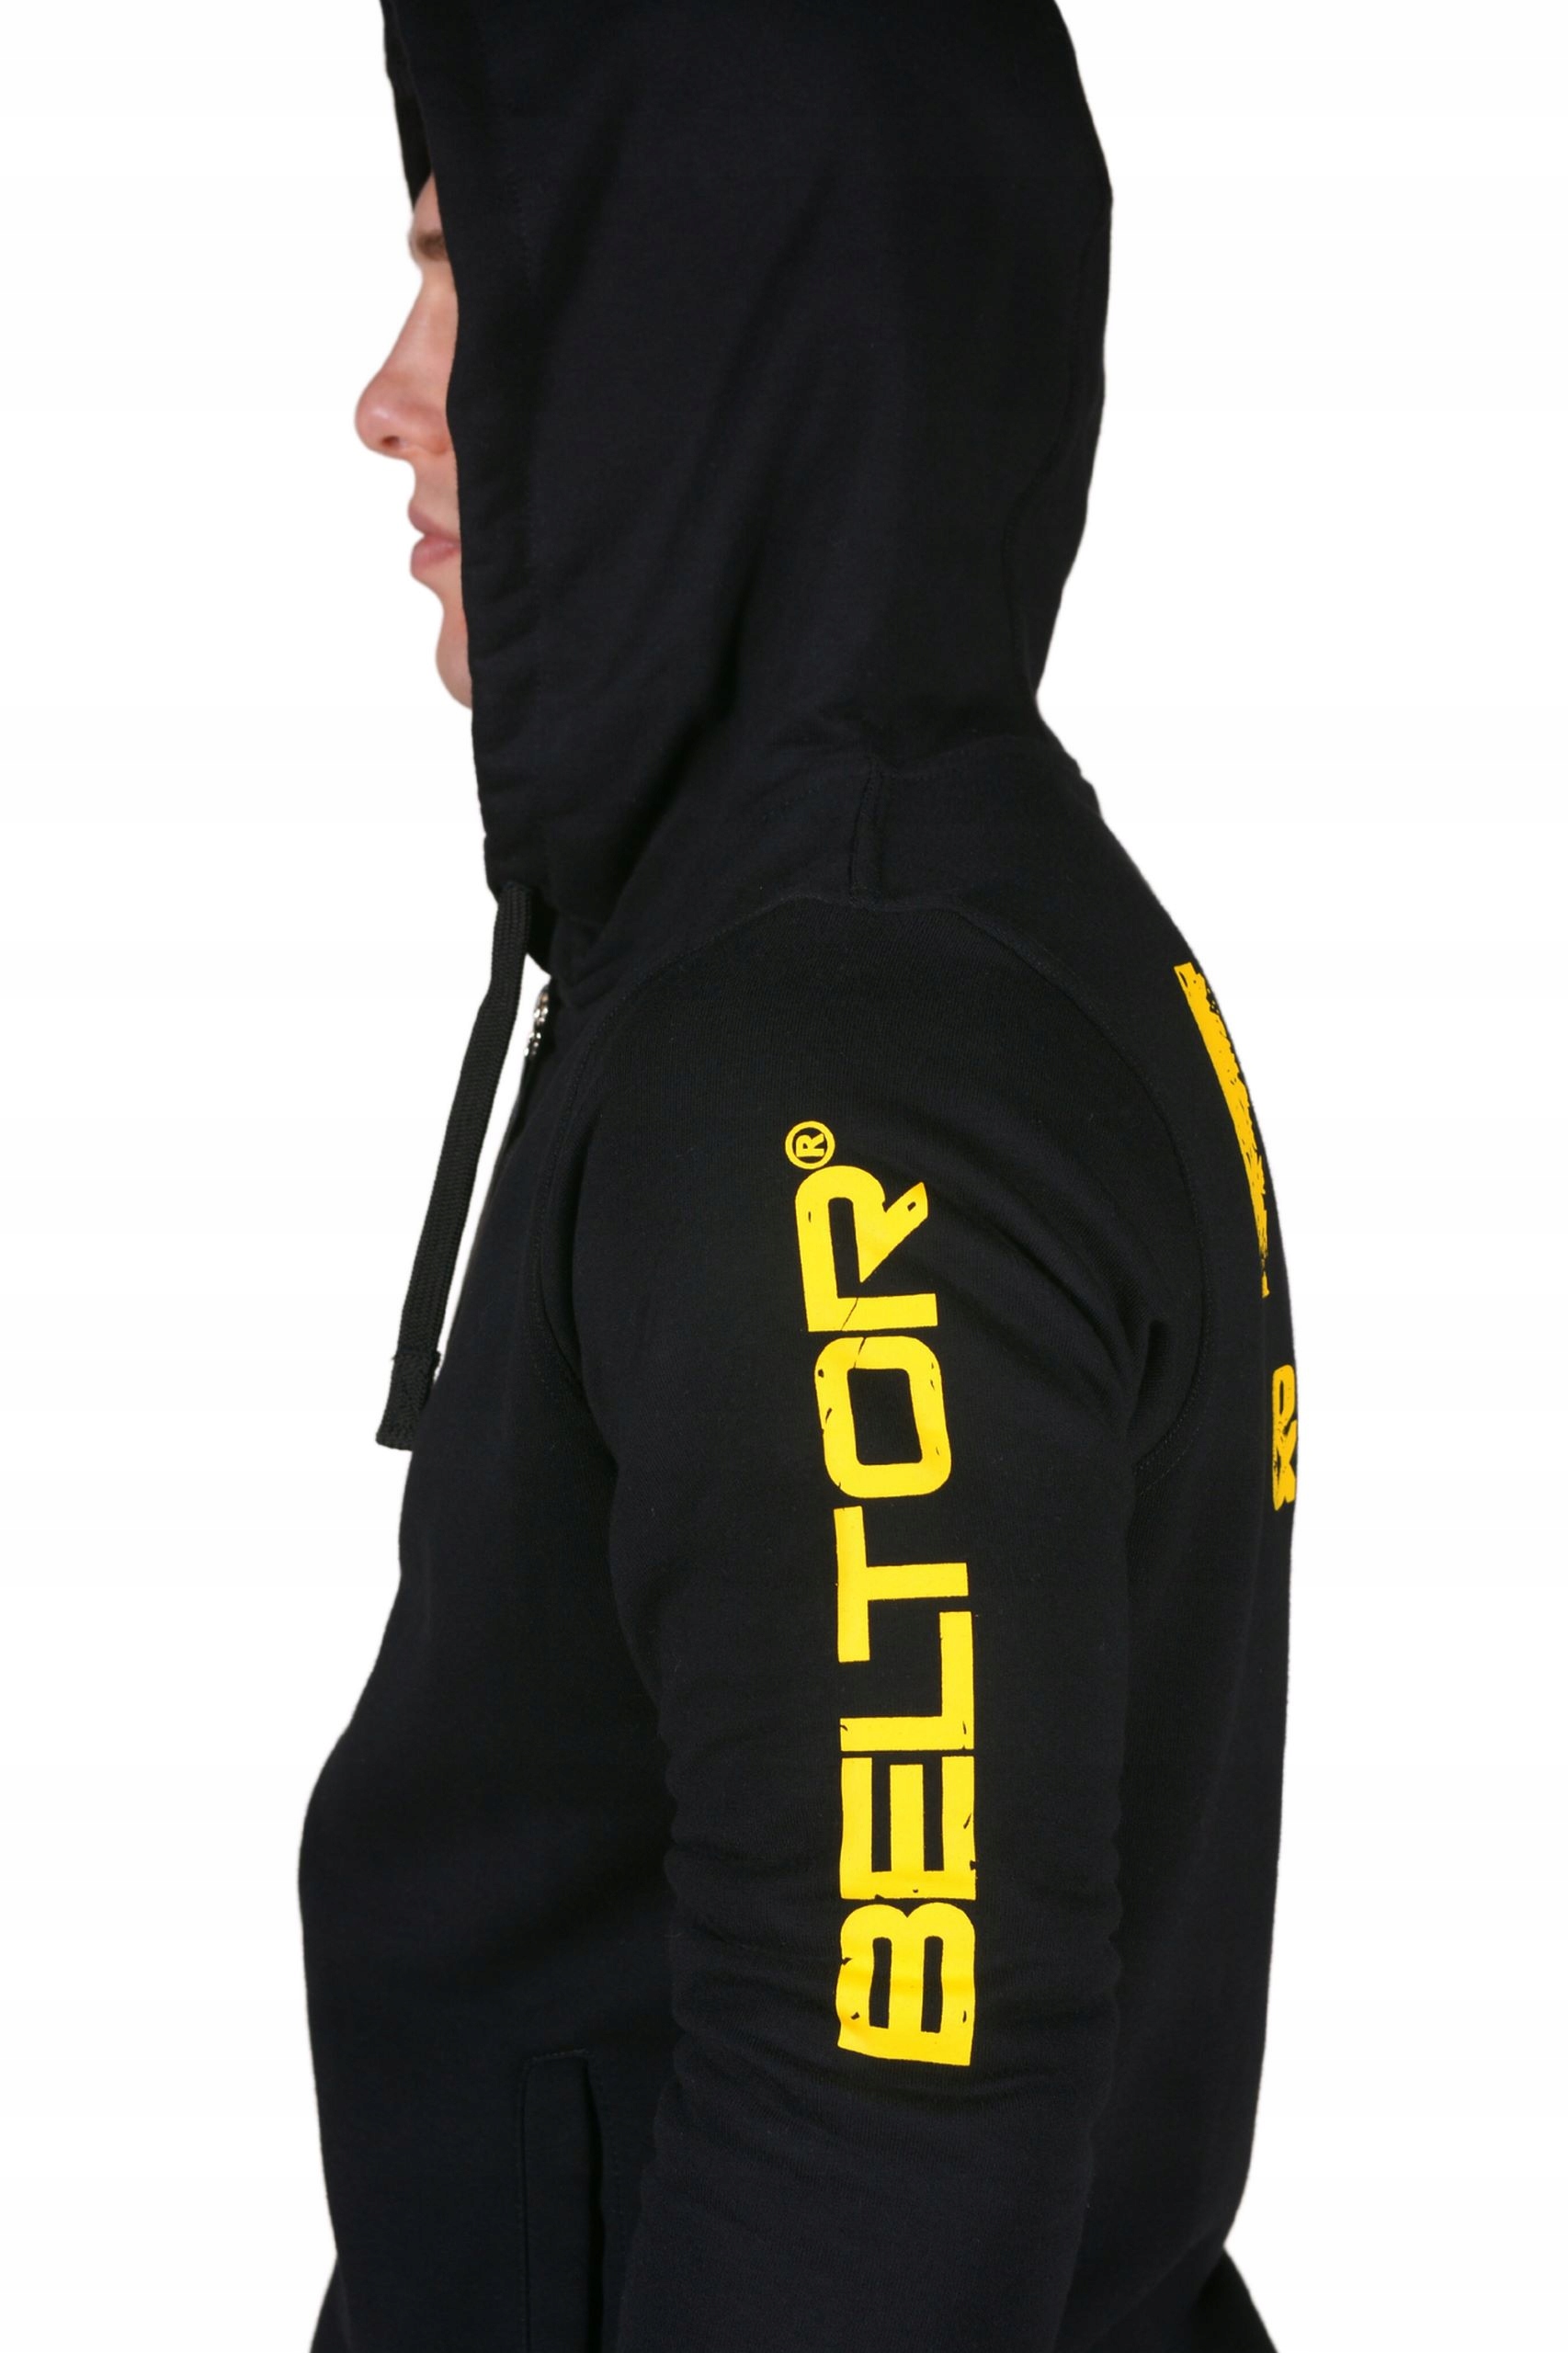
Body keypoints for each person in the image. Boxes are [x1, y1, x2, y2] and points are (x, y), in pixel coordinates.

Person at [299, 6, 1298, 2349]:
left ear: (703, 327)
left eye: (478, 281)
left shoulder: (833, 1073)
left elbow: (887, 2132)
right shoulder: (935, 907)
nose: (387, 398)